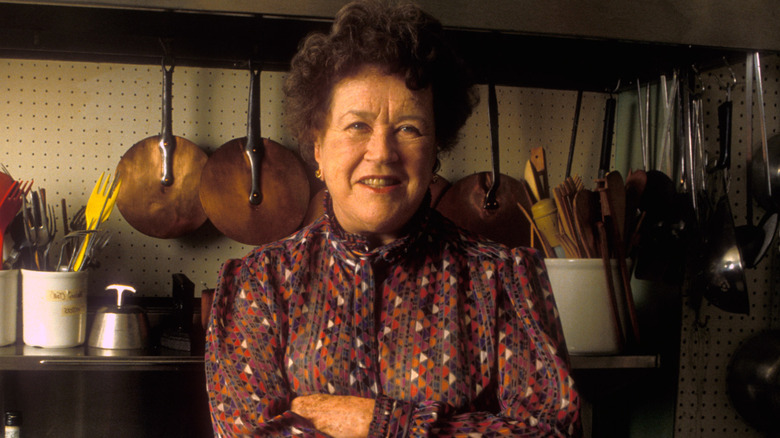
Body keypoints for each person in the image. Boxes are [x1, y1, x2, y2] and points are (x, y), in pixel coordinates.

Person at [205, 0, 581, 436]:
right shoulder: (260, 284)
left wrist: (379, 423)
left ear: (435, 150)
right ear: (318, 149)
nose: (382, 152)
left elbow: (552, 432)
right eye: (356, 126)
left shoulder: (503, 280)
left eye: (409, 128)